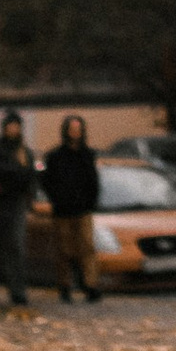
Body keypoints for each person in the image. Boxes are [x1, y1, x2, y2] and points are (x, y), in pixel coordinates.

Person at [41, 114, 101, 304]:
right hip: (63, 210)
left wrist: (90, 201)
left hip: (83, 209)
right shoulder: (55, 157)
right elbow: (47, 182)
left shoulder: (88, 155)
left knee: (87, 248)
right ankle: (65, 286)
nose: (75, 133)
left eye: (78, 129)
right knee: (64, 250)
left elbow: (93, 181)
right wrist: (57, 199)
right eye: (72, 129)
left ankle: (90, 285)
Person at [0, 109, 37, 309]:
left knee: (16, 247)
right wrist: (15, 172)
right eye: (10, 125)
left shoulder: (24, 151)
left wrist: (14, 174)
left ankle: (18, 291)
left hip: (15, 203)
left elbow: (28, 176)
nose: (13, 129)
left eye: (16, 125)